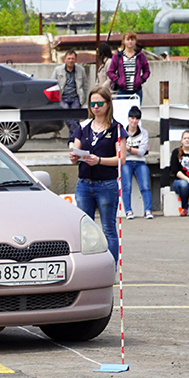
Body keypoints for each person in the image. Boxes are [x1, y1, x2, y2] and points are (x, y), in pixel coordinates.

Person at [69, 84, 120, 263]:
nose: (96, 107)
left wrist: (99, 160)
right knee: (84, 229)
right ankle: (88, 268)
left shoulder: (116, 128)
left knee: (108, 229)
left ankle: (111, 269)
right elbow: (76, 152)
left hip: (106, 183)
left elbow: (121, 159)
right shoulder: (83, 127)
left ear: (108, 104)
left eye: (99, 104)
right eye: (92, 104)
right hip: (84, 182)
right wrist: (75, 157)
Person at [118, 105, 154, 219]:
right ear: (128, 118)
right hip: (126, 162)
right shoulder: (121, 131)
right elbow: (120, 150)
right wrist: (133, 150)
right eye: (132, 118)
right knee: (126, 187)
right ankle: (128, 211)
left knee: (145, 186)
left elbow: (142, 152)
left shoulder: (144, 132)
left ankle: (148, 211)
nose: (134, 121)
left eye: (137, 119)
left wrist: (128, 148)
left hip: (140, 162)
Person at [52, 50, 88, 140]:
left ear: (75, 60)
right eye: (69, 58)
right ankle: (80, 135)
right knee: (67, 116)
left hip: (76, 97)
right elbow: (52, 84)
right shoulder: (58, 70)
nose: (70, 60)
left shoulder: (81, 70)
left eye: (72, 58)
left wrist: (83, 99)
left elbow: (85, 86)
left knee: (75, 118)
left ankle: (72, 140)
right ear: (65, 59)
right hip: (62, 97)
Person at [106, 32, 150, 102]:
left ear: (135, 41)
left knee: (136, 111)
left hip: (136, 90)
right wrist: (118, 81)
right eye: (128, 39)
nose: (130, 42)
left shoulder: (140, 55)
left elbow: (147, 71)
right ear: (124, 41)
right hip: (122, 91)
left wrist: (141, 80)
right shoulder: (118, 56)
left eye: (132, 40)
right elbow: (110, 72)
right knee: (123, 111)